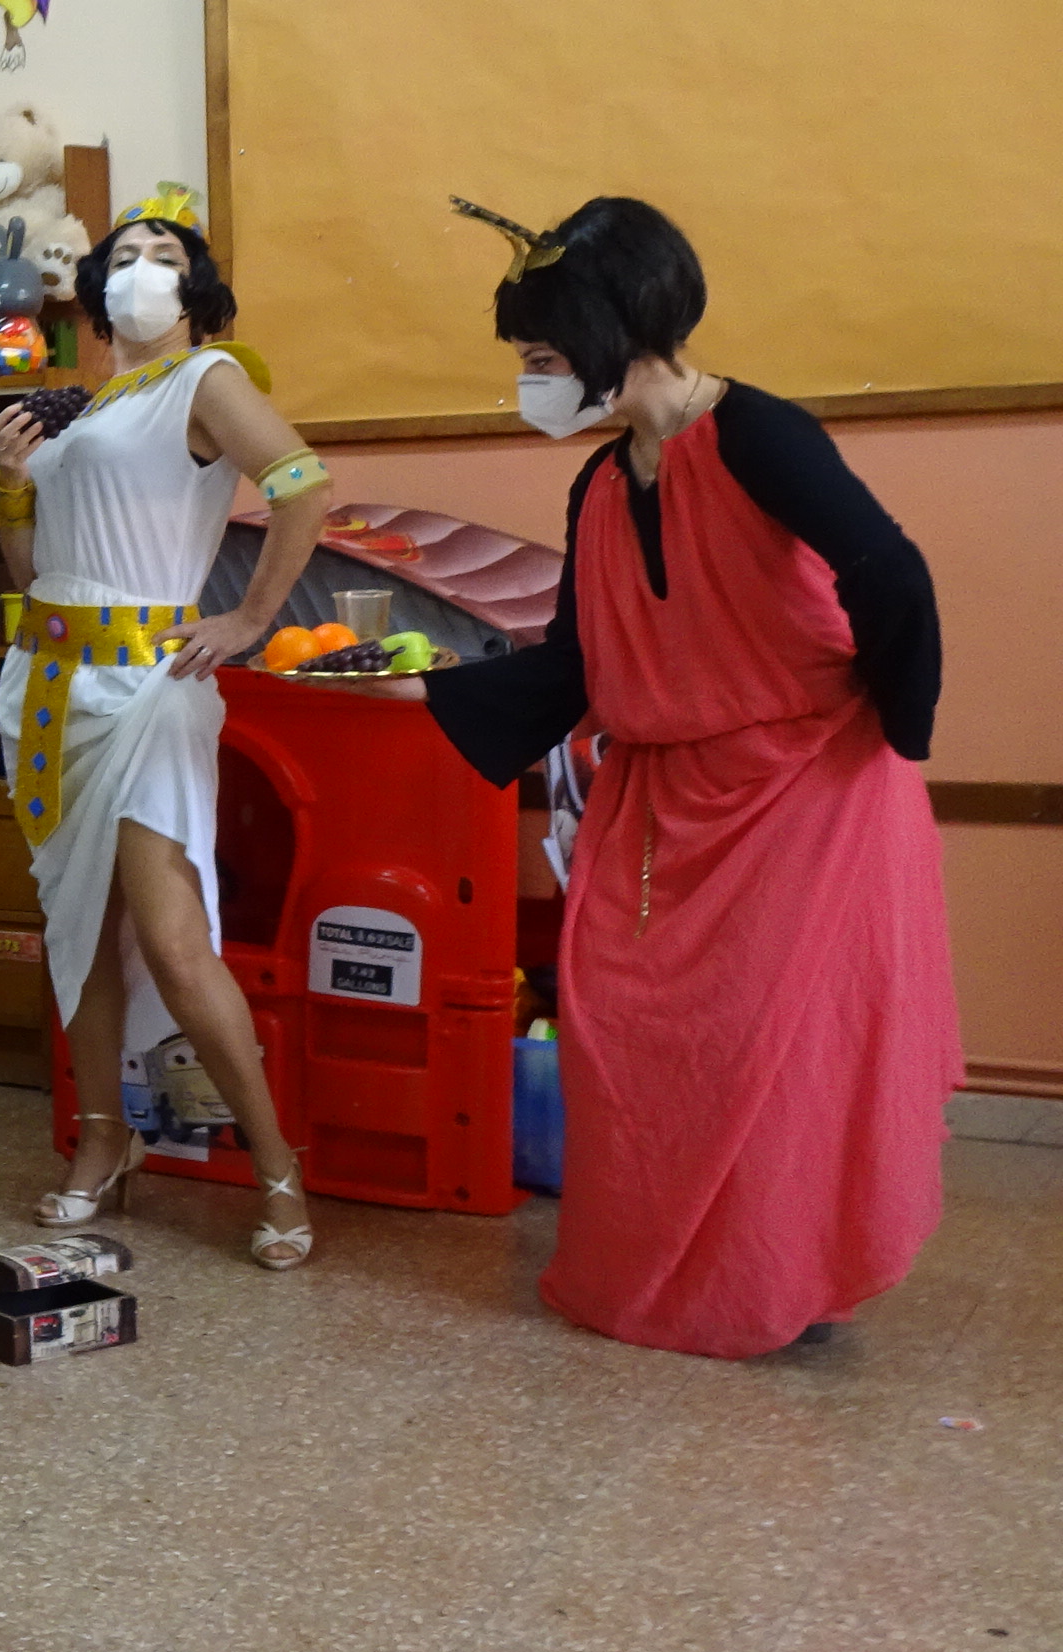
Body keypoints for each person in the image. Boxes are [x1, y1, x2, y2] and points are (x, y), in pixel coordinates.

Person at [391, 197, 954, 1356]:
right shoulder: (601, 483)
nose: (531, 384)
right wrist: (416, 696)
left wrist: (891, 734)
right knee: (621, 1025)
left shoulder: (759, 434)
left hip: (806, 788)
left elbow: (891, 572)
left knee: (777, 1048)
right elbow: (576, 662)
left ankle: (780, 1277)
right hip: (661, 796)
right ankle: (662, 1265)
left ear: (610, 334)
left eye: (543, 359)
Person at [0, 192, 331, 1268]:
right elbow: (35, 576)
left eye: (165, 254)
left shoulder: (205, 379)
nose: (142, 266)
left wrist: (249, 620)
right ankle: (104, 1139)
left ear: (195, 289)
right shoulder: (88, 410)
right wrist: (12, 488)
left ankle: (276, 1167)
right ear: (97, 291)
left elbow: (303, 487)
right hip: (49, 686)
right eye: (125, 253)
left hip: (146, 687)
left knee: (175, 944)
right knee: (77, 932)